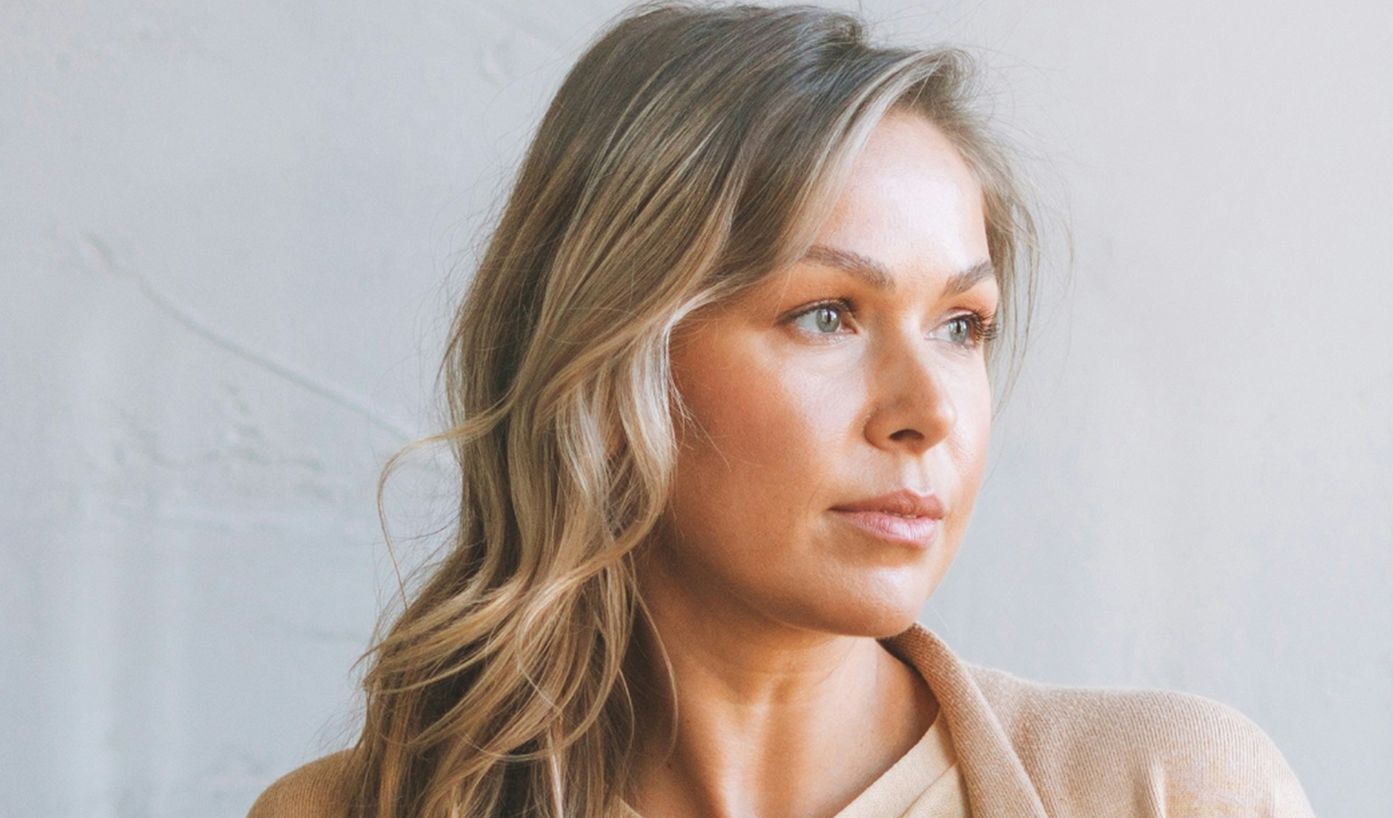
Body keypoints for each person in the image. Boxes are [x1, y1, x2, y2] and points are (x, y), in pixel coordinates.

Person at [247, 3, 1316, 816]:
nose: (926, 413)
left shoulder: (1168, 787)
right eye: (826, 314)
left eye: (962, 324)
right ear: (612, 360)